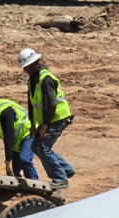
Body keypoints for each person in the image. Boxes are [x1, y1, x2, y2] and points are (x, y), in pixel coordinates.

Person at [20, 48, 76, 188]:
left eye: (26, 67)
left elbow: (50, 104)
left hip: (57, 118)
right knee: (35, 146)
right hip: (47, 119)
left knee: (43, 148)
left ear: (32, 64)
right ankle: (66, 169)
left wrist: (44, 126)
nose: (24, 70)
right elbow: (32, 104)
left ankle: (60, 178)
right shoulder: (33, 80)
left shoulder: (46, 79)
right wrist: (33, 124)